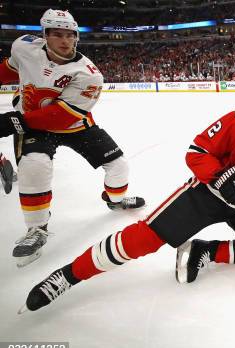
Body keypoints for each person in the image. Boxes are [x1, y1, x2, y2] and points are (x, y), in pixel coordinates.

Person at [19, 88, 235, 313]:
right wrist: (220, 175)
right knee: (143, 239)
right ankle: (67, 276)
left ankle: (205, 251)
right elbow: (196, 151)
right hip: (205, 195)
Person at [0, 9, 145, 268]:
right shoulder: (24, 48)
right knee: (34, 165)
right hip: (34, 125)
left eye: (70, 34)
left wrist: (13, 121)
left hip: (73, 124)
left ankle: (114, 200)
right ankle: (37, 229)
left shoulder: (89, 74)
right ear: (45, 35)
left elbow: (62, 116)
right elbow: (10, 70)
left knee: (119, 165)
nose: (65, 40)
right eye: (57, 34)